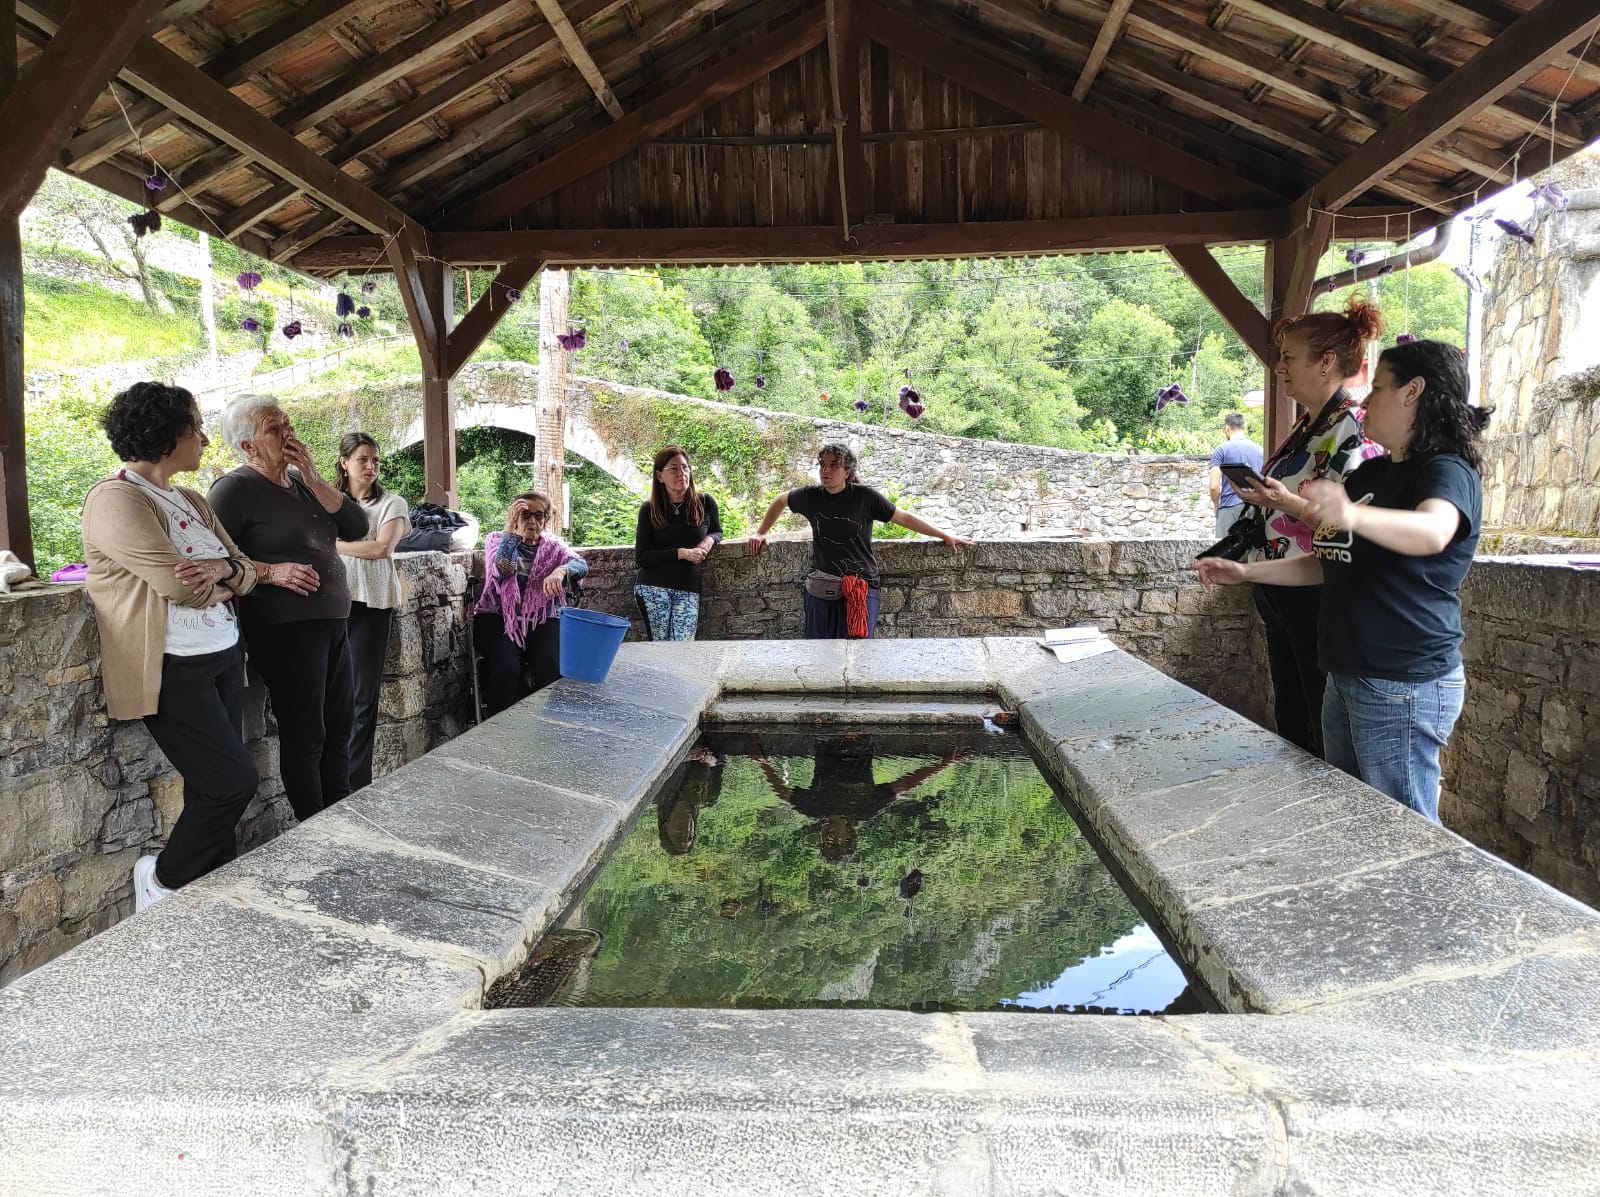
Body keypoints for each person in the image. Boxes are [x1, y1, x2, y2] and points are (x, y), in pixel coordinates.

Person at [1198, 340, 1487, 823]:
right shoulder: (1372, 472)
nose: (1367, 400)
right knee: (1353, 818)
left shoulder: (1445, 470)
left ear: (1414, 391)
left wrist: (1349, 513)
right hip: (1348, 674)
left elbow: (1434, 532)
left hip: (1403, 681)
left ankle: (1420, 902)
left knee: (1403, 830)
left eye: (1378, 388)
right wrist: (1246, 571)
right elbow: (1327, 560)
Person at [80, 382, 259, 912]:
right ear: (166, 436)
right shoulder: (114, 499)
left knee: (211, 786)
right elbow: (180, 585)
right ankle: (162, 878)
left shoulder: (193, 499)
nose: (204, 437)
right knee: (232, 781)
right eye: (195, 427)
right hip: (170, 666)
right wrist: (228, 577)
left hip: (222, 653)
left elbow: (245, 569)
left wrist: (225, 571)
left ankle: (209, 895)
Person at [1224, 297, 1386, 758]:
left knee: (1318, 721)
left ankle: (1320, 816)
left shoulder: (1353, 428)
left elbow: (1352, 520)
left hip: (1315, 589)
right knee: (1292, 717)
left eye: (1290, 357)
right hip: (1280, 588)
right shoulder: (1307, 426)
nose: (1280, 368)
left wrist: (1284, 500)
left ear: (1327, 362)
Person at [209, 396, 368, 822]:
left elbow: (356, 526)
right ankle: (314, 825)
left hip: (333, 622)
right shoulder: (234, 489)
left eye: (287, 423)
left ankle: (341, 809)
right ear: (248, 446)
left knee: (340, 724)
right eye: (274, 428)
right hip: (285, 628)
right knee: (306, 731)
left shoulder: (302, 484)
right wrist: (268, 572)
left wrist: (314, 476)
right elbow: (213, 556)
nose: (288, 433)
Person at [745, 443, 970, 639]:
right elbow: (781, 500)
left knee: (858, 652)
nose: (826, 470)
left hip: (862, 586)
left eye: (834, 465)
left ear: (847, 471)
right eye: (822, 464)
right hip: (822, 587)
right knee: (817, 652)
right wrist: (760, 532)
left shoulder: (865, 497)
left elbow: (904, 518)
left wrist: (943, 535)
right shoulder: (810, 496)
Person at [333, 432, 410, 790]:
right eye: (362, 459)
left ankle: (355, 781)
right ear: (344, 463)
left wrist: (334, 544)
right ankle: (333, 779)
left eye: (375, 460)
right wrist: (351, 545)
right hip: (333, 603)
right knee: (332, 695)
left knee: (363, 696)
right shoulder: (331, 503)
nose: (371, 466)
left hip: (371, 604)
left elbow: (381, 549)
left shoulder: (391, 503)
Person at [472, 490, 589, 717]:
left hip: (541, 617)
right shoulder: (497, 540)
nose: (532, 521)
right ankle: (498, 728)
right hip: (498, 618)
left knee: (552, 664)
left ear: (546, 520)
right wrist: (511, 530)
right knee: (506, 668)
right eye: (525, 515)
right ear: (515, 516)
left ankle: (548, 723)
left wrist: (562, 570)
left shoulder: (555, 547)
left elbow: (581, 565)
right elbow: (503, 569)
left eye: (539, 516)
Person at [754, 737, 966, 860]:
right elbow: (906, 784)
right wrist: (944, 764)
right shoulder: (867, 809)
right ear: (849, 836)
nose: (829, 836)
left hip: (825, 741)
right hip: (862, 742)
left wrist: (764, 764)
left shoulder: (813, 809)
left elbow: (783, 794)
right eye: (835, 841)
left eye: (825, 842)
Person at [634, 445, 721, 641]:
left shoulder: (705, 502)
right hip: (653, 588)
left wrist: (708, 541)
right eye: (673, 469)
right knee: (661, 648)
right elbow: (642, 557)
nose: (681, 473)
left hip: (688, 589)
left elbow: (717, 530)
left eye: (685, 467)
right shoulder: (649, 509)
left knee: (683, 648)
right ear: (659, 476)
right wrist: (681, 553)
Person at [1208, 412, 1263, 536]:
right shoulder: (1260, 450)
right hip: (1254, 509)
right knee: (1250, 554)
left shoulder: (1221, 450)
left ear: (1227, 428)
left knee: (1224, 553)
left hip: (1229, 508)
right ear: (1244, 426)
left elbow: (1213, 486)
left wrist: (1216, 505)